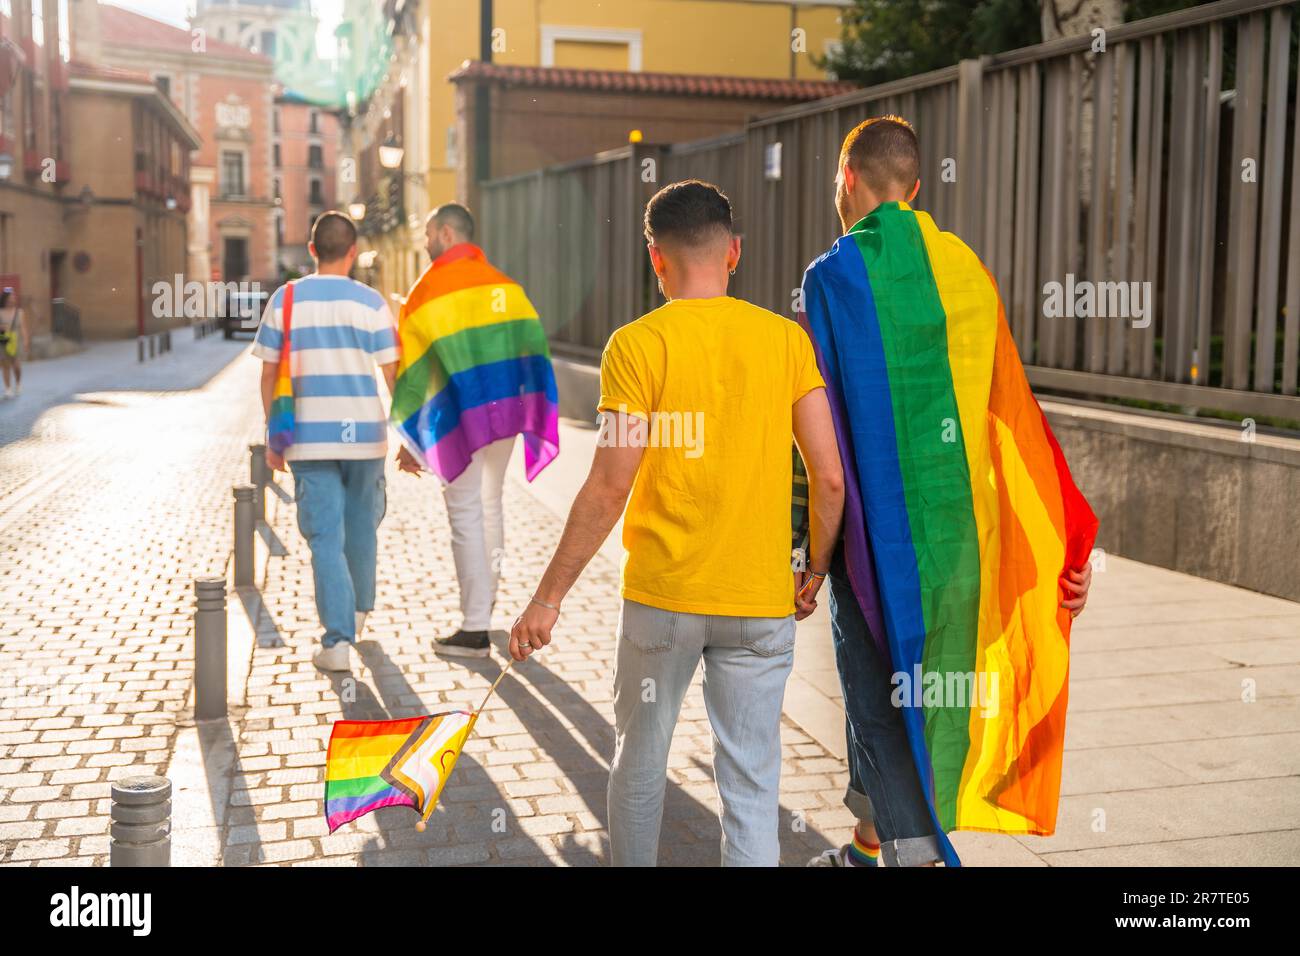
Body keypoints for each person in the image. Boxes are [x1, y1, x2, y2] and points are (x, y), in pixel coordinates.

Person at [509, 180, 845, 866]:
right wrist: (814, 570)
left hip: (663, 601)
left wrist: (549, 598)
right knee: (751, 782)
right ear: (735, 253)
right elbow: (830, 474)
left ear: (655, 260)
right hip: (759, 599)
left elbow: (609, 485)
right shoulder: (785, 340)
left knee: (639, 763)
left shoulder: (636, 346)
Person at [795, 116, 1096, 868]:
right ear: (917, 187)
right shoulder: (966, 268)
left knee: (878, 699)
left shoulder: (830, 277)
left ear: (846, 178)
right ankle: (868, 846)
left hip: (876, 546)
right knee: (923, 695)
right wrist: (1066, 538)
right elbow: (1012, 412)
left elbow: (817, 432)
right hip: (959, 540)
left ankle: (917, 857)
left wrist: (810, 551)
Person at [392, 203, 559, 658]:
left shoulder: (426, 290)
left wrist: (415, 442)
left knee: (466, 511)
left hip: (458, 419)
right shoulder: (507, 288)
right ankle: (483, 612)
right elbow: (533, 349)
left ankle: (473, 628)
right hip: (506, 414)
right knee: (490, 505)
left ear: (446, 234)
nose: (425, 243)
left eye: (427, 234)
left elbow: (417, 370)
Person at [253, 211, 401, 672]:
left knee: (324, 537)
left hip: (307, 440)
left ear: (312, 250)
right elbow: (395, 373)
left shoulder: (286, 298)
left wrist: (273, 436)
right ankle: (356, 611)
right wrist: (412, 435)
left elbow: (269, 373)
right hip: (366, 439)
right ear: (353, 253)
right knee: (362, 526)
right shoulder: (371, 301)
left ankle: (337, 642)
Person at [0, 288, 26, 399]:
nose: (12, 299)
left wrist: (26, 340)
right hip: (2, 340)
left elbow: (23, 328)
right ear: (5, 299)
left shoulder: (20, 312)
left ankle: (18, 383)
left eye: (13, 297)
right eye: (10, 298)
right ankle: (8, 389)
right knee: (5, 365)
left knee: (16, 365)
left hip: (16, 341)